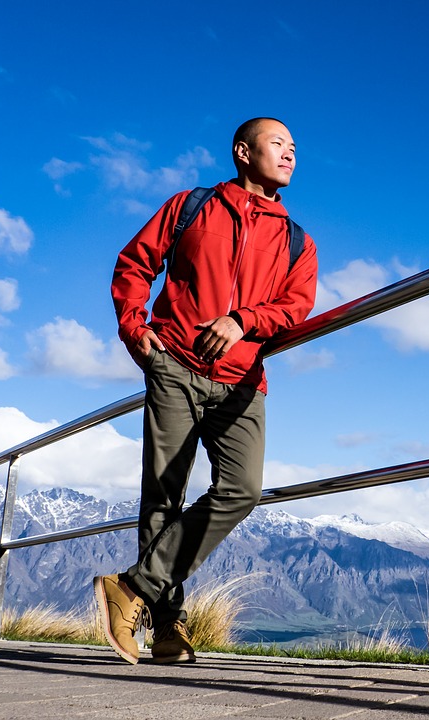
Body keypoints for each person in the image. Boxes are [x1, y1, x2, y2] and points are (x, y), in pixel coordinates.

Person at [96, 117, 318, 664]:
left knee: (243, 488)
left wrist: (245, 319)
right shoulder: (190, 207)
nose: (290, 153)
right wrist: (135, 330)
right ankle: (167, 626)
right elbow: (134, 265)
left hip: (242, 380)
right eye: (278, 144)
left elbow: (297, 305)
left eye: (294, 147)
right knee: (162, 498)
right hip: (174, 365)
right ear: (243, 152)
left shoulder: (297, 240)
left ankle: (130, 589)